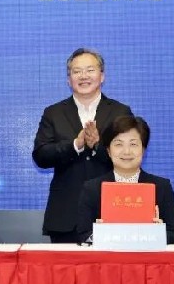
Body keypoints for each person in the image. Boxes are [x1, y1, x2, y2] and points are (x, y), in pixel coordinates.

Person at [33, 48, 133, 243]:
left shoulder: (120, 111)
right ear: (68, 79)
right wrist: (76, 145)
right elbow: (41, 155)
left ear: (102, 76)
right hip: (65, 214)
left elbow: (129, 157)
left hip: (110, 210)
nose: (83, 76)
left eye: (90, 70)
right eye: (77, 71)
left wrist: (97, 145)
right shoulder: (53, 112)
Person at [77, 116, 174, 245]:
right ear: (108, 151)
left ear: (143, 150)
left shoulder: (161, 187)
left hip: (146, 257)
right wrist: (99, 234)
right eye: (119, 144)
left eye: (133, 144)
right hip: (109, 257)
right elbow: (82, 235)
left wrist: (158, 232)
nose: (126, 151)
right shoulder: (92, 188)